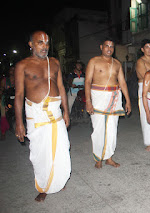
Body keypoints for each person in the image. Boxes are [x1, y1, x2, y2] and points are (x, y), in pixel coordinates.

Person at [15, 31, 71, 202]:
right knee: (40, 152)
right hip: (36, 113)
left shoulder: (54, 62)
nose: (45, 46)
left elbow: (61, 87)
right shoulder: (22, 65)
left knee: (62, 148)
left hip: (55, 111)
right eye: (40, 42)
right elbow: (18, 94)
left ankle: (58, 180)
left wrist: (66, 111)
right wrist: (19, 123)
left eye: (47, 43)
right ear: (31, 44)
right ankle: (43, 187)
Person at [85, 37, 131, 169]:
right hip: (98, 96)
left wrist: (127, 100)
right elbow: (87, 81)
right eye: (107, 46)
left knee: (112, 129)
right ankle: (98, 158)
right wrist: (88, 101)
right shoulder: (94, 61)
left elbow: (122, 82)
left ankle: (109, 157)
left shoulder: (117, 63)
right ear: (101, 47)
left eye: (111, 46)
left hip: (114, 97)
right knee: (98, 129)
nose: (109, 49)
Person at [136, 39, 150, 151]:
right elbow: (145, 76)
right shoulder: (140, 62)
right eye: (147, 47)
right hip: (145, 88)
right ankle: (149, 142)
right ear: (142, 49)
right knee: (145, 114)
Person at [0, 66, 14, 140]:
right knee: (3, 115)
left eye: (14, 70)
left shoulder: (17, 79)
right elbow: (1, 90)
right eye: (11, 70)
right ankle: (3, 133)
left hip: (13, 99)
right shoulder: (5, 80)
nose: (13, 71)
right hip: (5, 99)